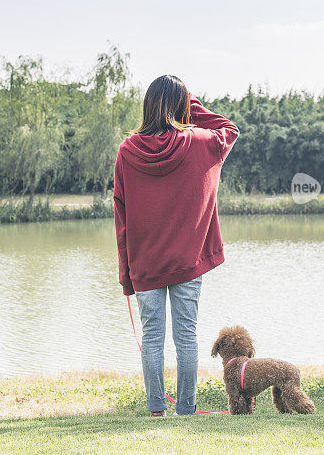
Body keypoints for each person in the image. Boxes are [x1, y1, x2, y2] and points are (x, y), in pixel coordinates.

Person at [113, 75, 240, 416]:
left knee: (152, 337)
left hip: (145, 264)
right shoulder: (200, 142)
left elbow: (121, 219)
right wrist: (191, 104)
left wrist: (126, 275)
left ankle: (157, 410)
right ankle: (186, 409)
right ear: (183, 105)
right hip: (187, 262)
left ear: (148, 105)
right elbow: (229, 129)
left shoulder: (127, 151)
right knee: (186, 337)